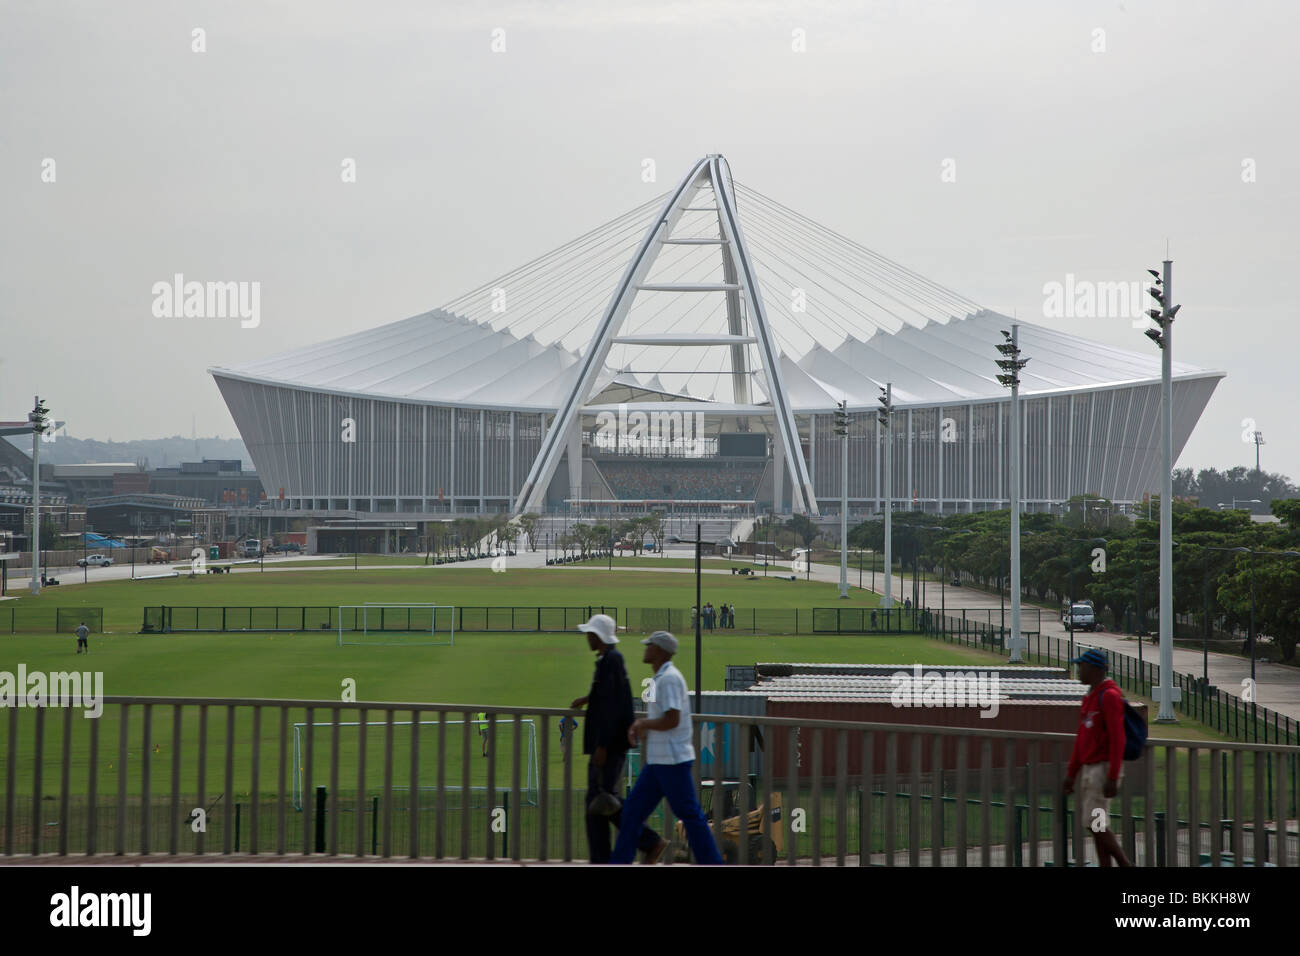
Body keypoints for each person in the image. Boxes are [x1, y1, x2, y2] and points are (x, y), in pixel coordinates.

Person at [611, 631, 723, 865]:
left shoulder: (669, 678)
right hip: (659, 762)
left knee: (690, 815)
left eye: (649, 645)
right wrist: (646, 727)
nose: (645, 649)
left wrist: (643, 723)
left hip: (672, 762)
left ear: (660, 651)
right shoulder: (662, 677)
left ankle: (712, 862)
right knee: (632, 812)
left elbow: (672, 719)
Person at [570, 614, 666, 864]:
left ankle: (649, 840)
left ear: (599, 637)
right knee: (599, 801)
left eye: (590, 634)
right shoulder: (607, 661)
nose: (587, 638)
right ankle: (603, 857)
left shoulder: (612, 660)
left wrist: (602, 745)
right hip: (608, 743)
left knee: (602, 799)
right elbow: (605, 694)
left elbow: (611, 707)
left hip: (609, 745)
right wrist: (586, 699)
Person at [1063, 648, 1133, 867]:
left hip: (1102, 770)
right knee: (1096, 824)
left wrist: (1112, 776)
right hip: (1090, 769)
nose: (1078, 670)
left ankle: (1125, 864)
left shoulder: (1109, 697)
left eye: (1081, 666)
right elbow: (1081, 739)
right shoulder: (1090, 698)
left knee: (1096, 824)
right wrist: (1071, 774)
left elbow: (1118, 738)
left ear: (1093, 669)